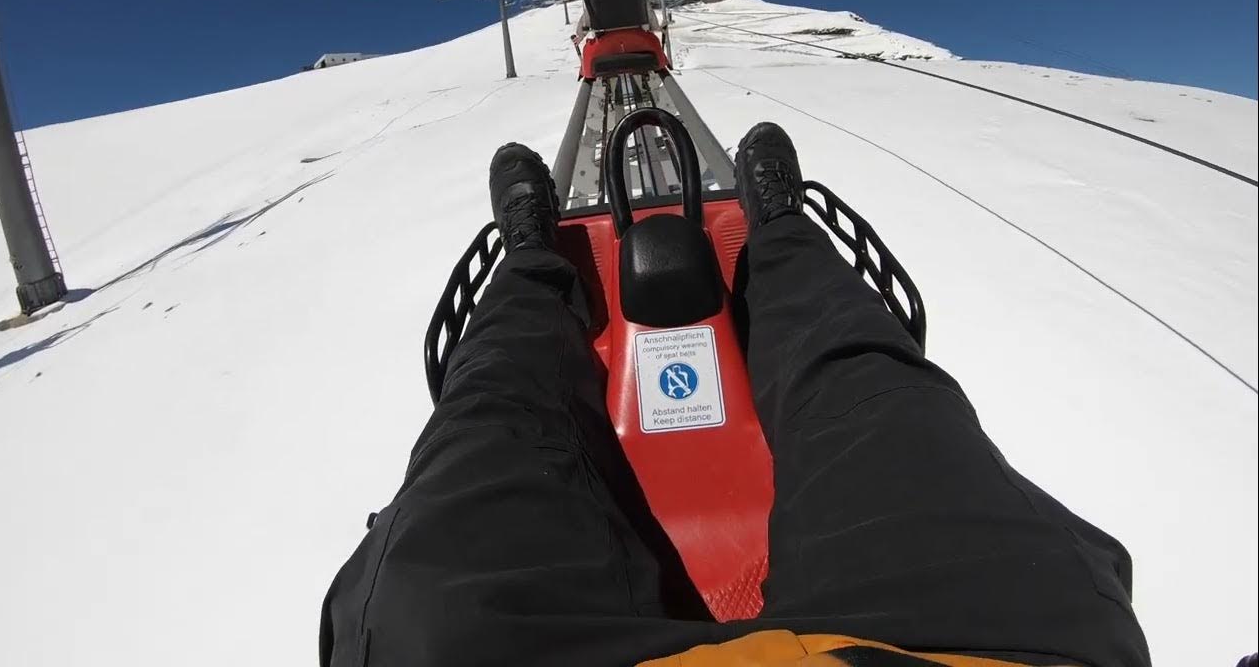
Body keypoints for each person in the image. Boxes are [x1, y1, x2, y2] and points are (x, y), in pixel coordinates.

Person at [319, 124, 1153, 667]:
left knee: (490, 416)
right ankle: (781, 234)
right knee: (870, 378)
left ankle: (533, 265)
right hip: (969, 646)